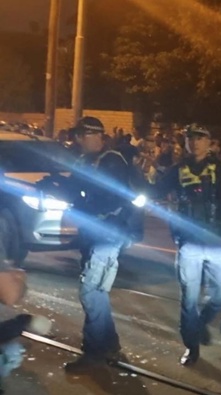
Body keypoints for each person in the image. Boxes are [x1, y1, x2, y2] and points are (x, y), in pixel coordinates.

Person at [154, 124, 221, 366]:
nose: (195, 143)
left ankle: (201, 324)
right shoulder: (177, 169)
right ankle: (192, 346)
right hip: (188, 243)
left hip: (215, 242)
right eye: (191, 138)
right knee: (189, 299)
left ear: (210, 142)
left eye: (201, 138)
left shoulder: (220, 169)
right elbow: (156, 189)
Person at [63, 117, 133, 373]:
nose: (76, 141)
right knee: (97, 293)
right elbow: (74, 189)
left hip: (108, 235)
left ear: (94, 135)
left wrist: (83, 205)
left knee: (90, 292)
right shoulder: (85, 160)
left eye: (80, 136)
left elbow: (113, 199)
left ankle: (94, 353)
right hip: (93, 235)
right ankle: (109, 343)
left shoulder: (111, 161)